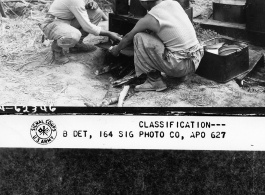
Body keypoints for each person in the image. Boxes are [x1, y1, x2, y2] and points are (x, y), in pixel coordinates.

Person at [109, 0, 204, 92]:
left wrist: (116, 49)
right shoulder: (173, 3)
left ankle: (154, 81)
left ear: (144, 2)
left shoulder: (148, 19)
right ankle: (182, 75)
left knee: (139, 37)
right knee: (159, 34)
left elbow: (127, 38)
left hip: (178, 66)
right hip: (195, 59)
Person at [39, 0, 122, 64]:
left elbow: (87, 6)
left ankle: (77, 45)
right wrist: (109, 33)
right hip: (52, 23)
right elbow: (87, 27)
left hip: (67, 20)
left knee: (96, 13)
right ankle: (57, 49)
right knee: (74, 35)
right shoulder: (76, 1)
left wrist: (89, 4)